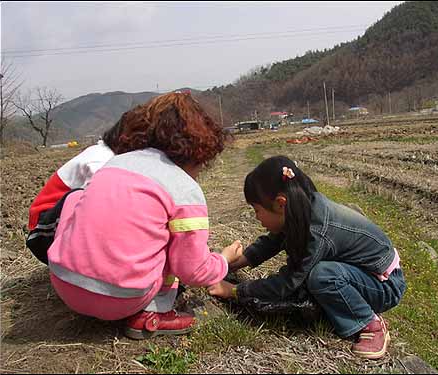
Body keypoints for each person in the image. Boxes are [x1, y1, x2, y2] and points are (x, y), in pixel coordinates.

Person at [46, 92, 242, 339]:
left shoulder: (116, 164)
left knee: (76, 198)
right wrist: (223, 260)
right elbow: (192, 270)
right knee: (173, 243)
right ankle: (154, 313)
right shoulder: (183, 188)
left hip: (65, 285)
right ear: (200, 149)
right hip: (121, 299)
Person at [208, 155, 406, 360]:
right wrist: (234, 264)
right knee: (314, 281)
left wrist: (233, 290)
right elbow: (273, 241)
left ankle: (370, 323)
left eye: (257, 210)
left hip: (384, 284)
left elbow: (287, 282)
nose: (257, 217)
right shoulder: (301, 208)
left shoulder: (318, 230)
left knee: (321, 276)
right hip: (362, 274)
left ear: (280, 204)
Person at [26, 115, 125, 264]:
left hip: (58, 222)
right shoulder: (101, 160)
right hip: (44, 229)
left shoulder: (107, 153)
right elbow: (100, 204)